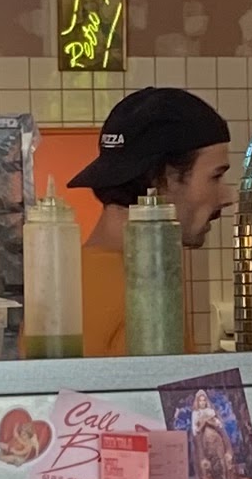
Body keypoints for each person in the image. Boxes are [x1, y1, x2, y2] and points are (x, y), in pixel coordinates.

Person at [71, 84, 233, 357]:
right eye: (215, 176)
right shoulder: (143, 294)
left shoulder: (68, 282)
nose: (228, 196)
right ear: (164, 179)